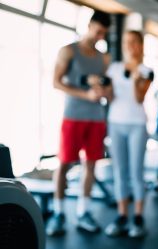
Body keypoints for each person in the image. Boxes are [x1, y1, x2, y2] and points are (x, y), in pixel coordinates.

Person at [46, 10, 112, 236]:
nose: (101, 37)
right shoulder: (68, 51)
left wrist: (104, 91)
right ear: (90, 25)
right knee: (64, 164)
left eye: (104, 34)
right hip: (73, 116)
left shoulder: (104, 58)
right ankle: (58, 213)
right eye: (99, 31)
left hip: (96, 118)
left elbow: (106, 87)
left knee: (91, 165)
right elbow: (56, 82)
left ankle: (84, 212)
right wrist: (86, 95)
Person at [104, 30, 153, 238]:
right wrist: (100, 88)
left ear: (141, 45)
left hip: (137, 124)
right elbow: (108, 95)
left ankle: (138, 218)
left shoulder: (146, 70)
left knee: (136, 172)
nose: (130, 46)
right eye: (126, 42)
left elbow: (139, 98)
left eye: (134, 42)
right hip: (115, 123)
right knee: (119, 171)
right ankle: (122, 215)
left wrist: (135, 80)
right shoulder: (114, 68)